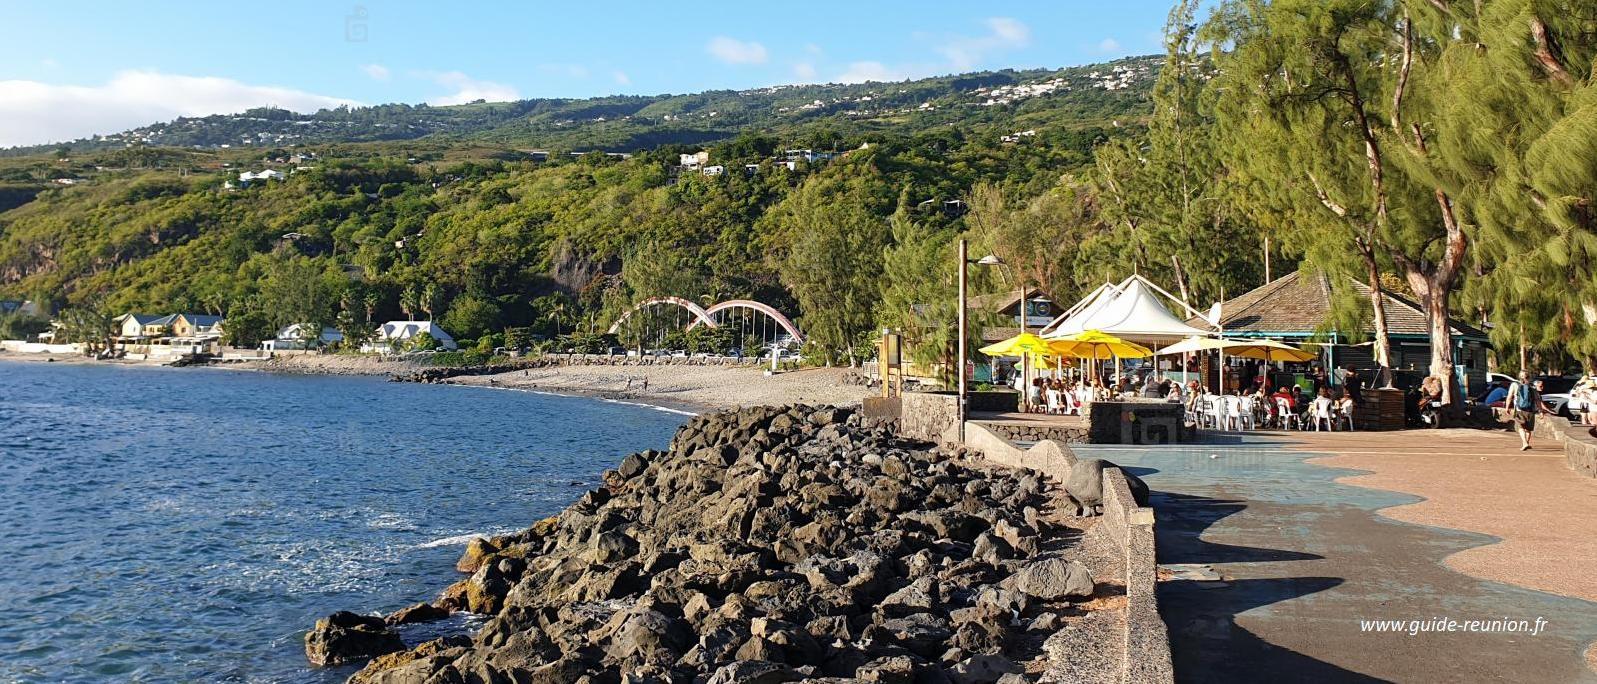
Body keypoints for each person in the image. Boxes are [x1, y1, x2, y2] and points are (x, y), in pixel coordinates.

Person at [1506, 372, 1540, 450]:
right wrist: (1540, 410)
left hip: (1519, 409)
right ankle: (1527, 443)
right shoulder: (1532, 386)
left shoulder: (1514, 385)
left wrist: (1507, 407)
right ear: (1529, 377)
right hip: (1530, 410)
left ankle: (1524, 443)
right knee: (1528, 428)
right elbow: (1537, 399)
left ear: (1519, 377)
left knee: (1521, 427)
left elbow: (1509, 396)